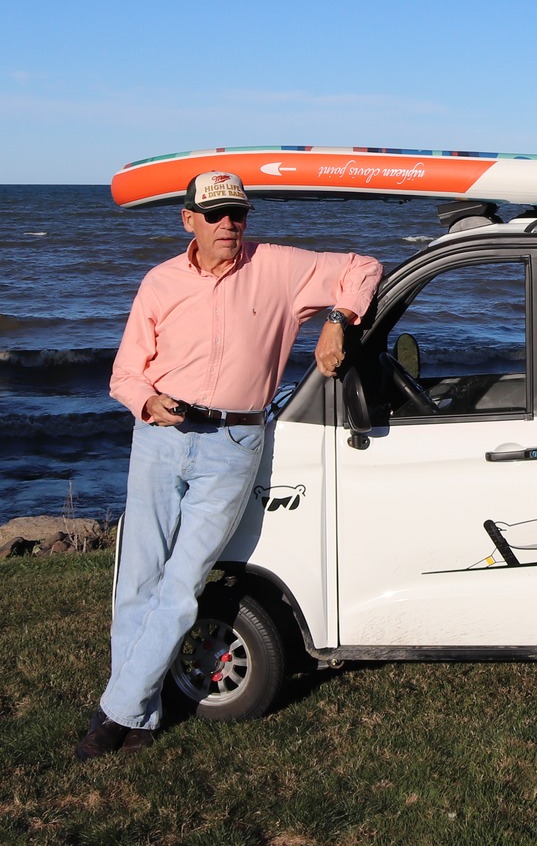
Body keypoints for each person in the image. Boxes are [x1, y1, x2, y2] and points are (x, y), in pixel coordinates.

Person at [76, 170, 381, 761]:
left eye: (237, 214)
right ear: (188, 220)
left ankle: (115, 715)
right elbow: (125, 374)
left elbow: (363, 267)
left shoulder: (279, 268)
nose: (228, 224)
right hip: (159, 438)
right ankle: (139, 711)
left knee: (183, 583)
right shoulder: (160, 282)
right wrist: (147, 402)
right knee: (137, 581)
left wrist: (337, 320)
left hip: (232, 442)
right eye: (214, 215)